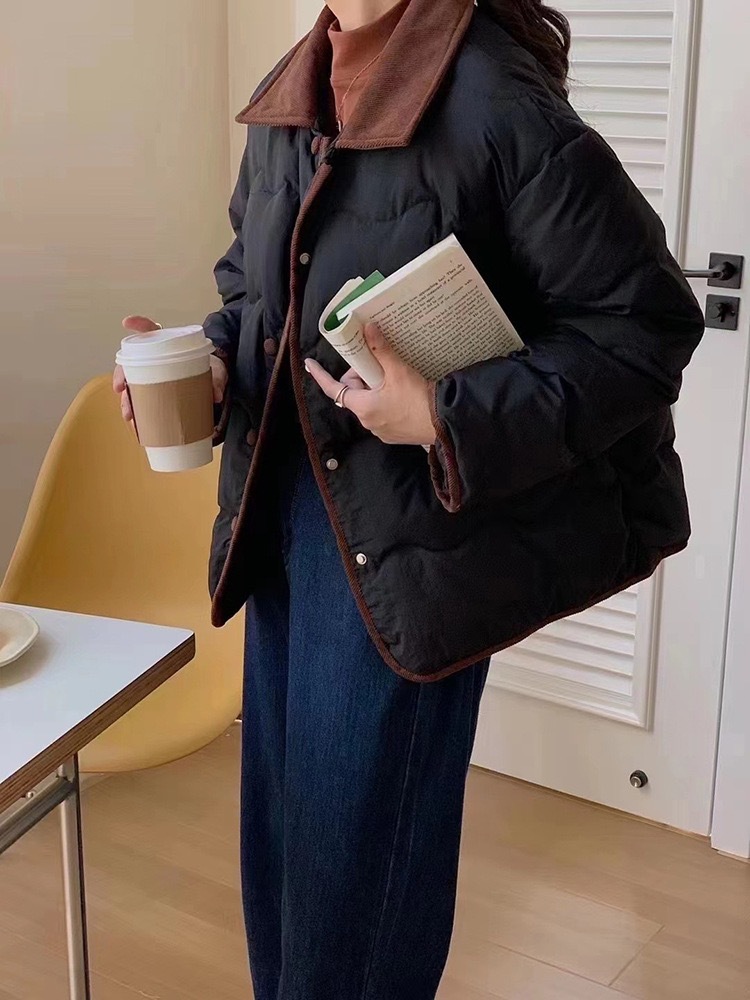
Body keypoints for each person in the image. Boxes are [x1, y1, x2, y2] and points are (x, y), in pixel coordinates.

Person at [114, 0, 704, 996]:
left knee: (355, 892)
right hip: (286, 520)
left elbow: (644, 329)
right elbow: (254, 294)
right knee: (289, 860)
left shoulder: (495, 98)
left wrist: (445, 414)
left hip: (412, 547)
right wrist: (214, 362)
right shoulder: (294, 92)